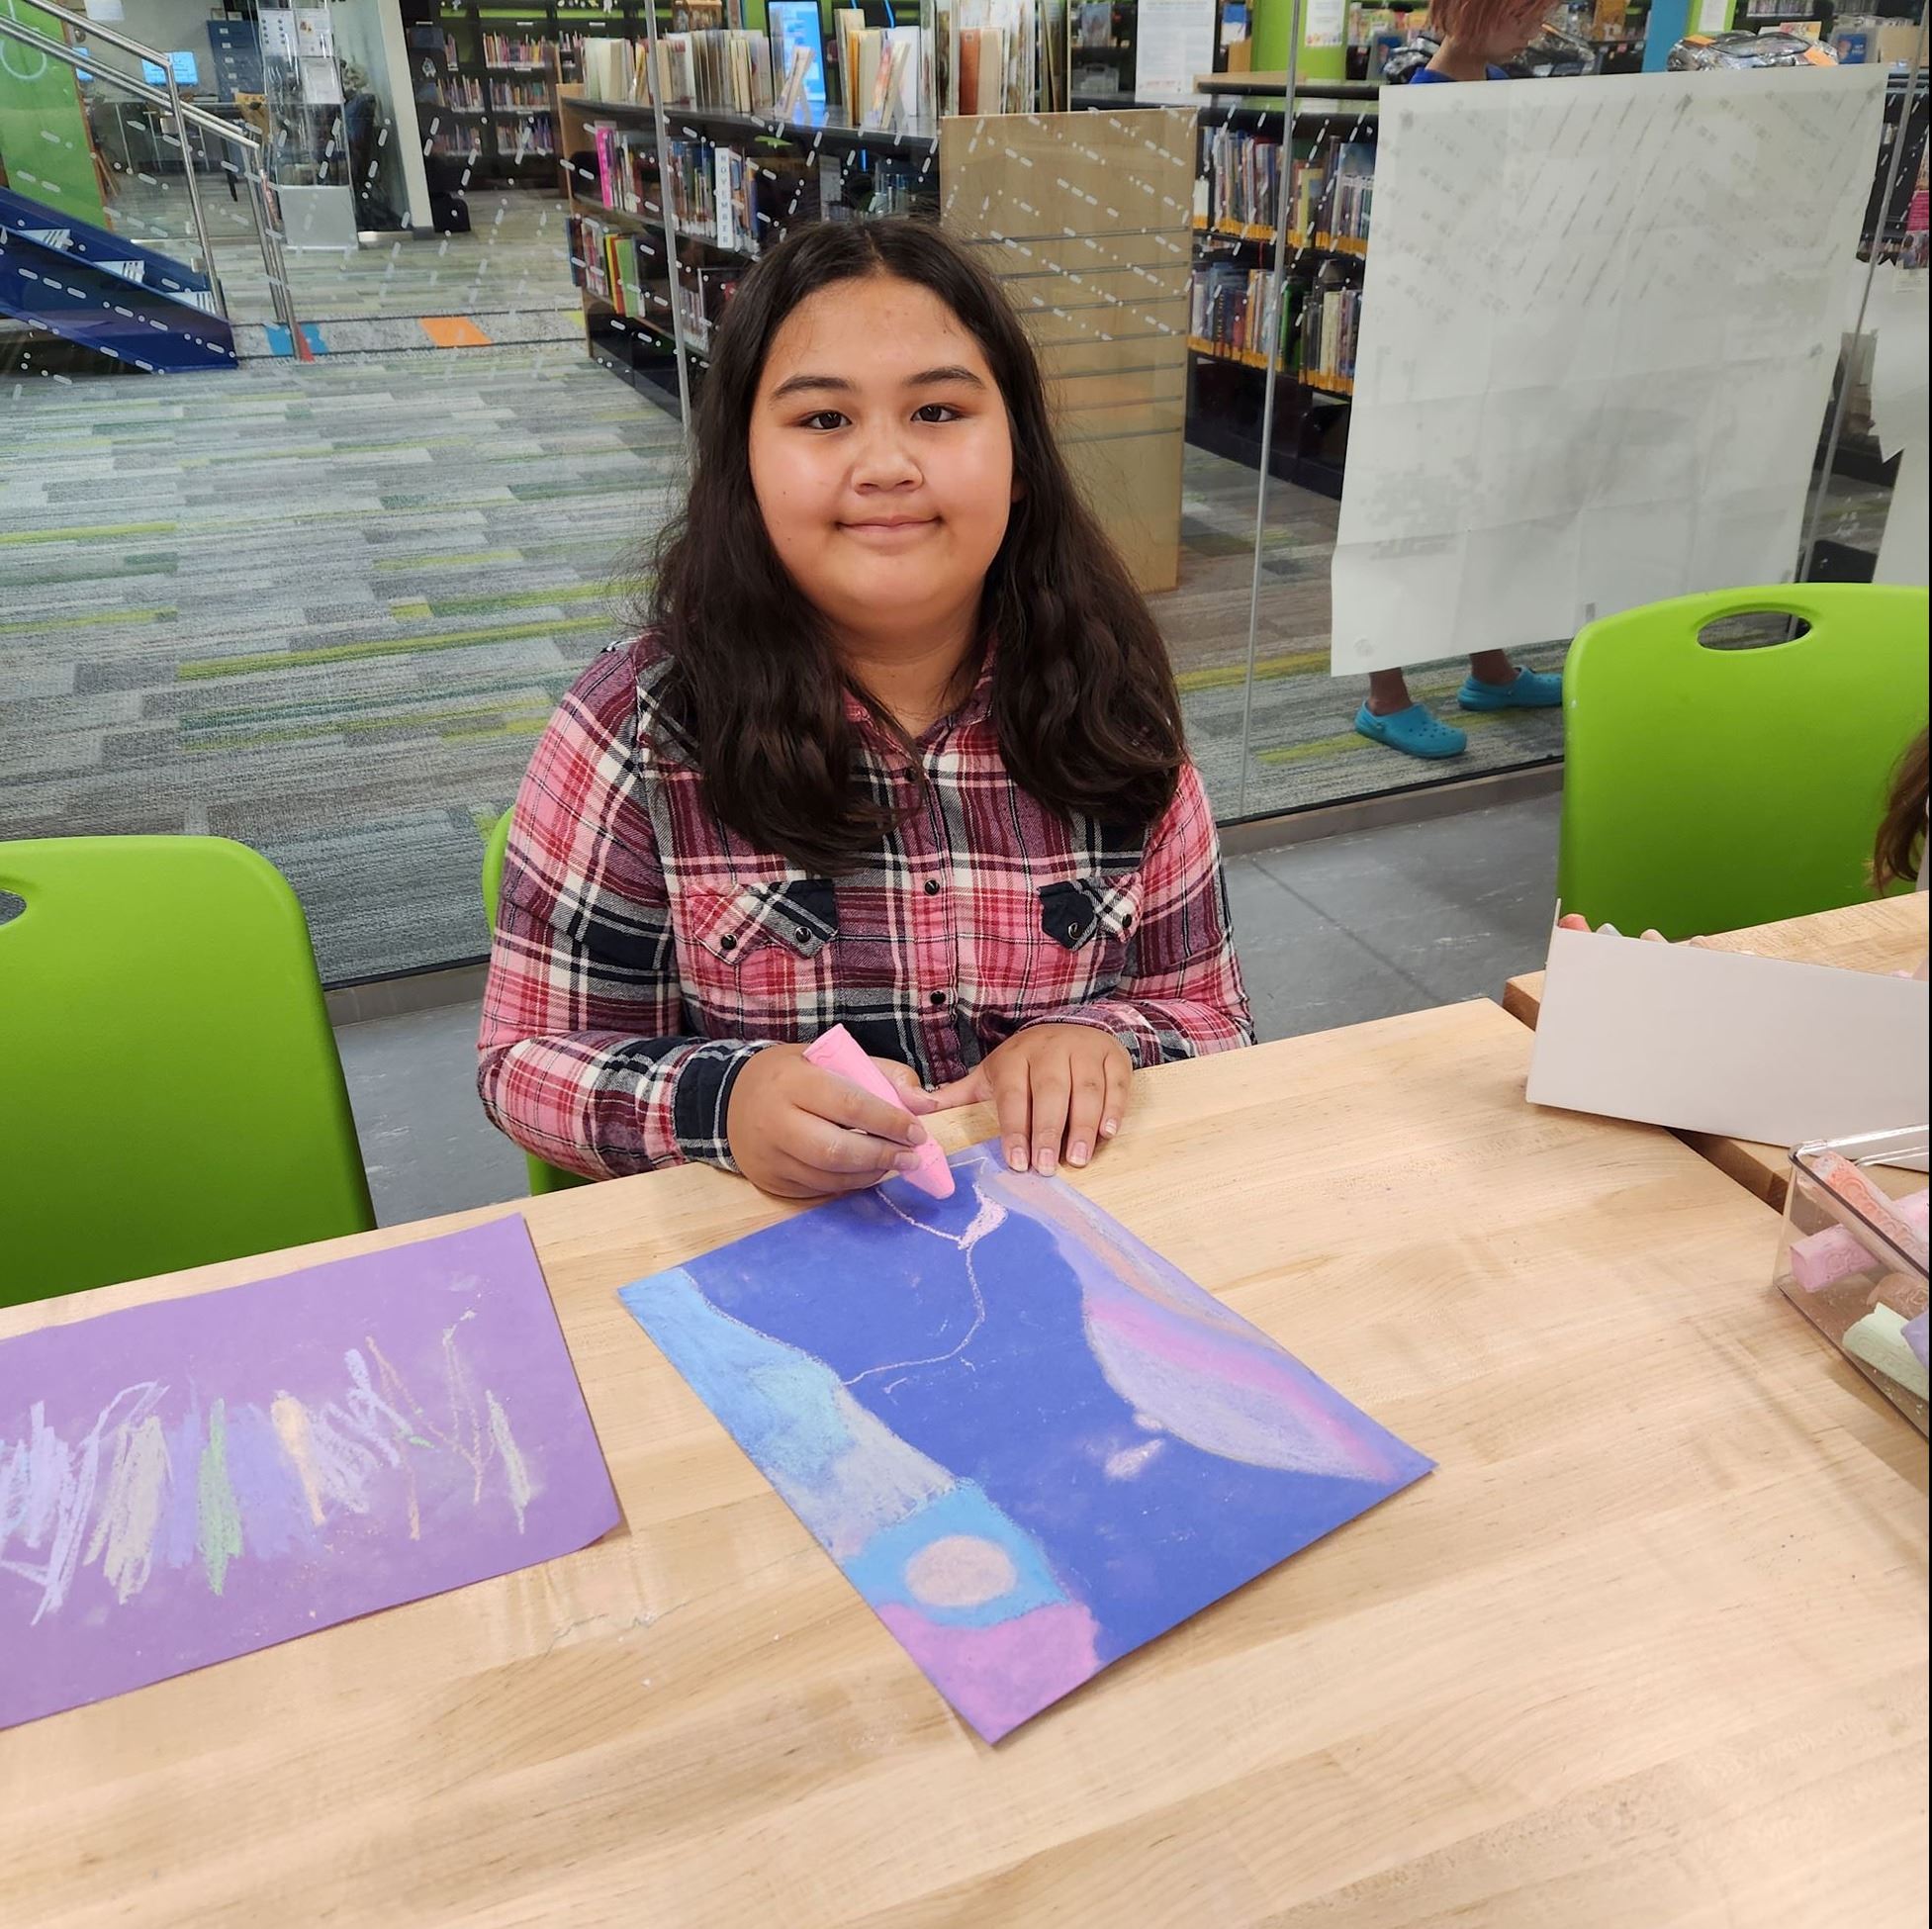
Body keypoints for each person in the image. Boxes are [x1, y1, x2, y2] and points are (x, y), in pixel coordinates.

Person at [479, 221, 1253, 1199]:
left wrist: (1102, 1042)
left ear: (1019, 458)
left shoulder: (1111, 705)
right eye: (822, 420)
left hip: (1058, 1235)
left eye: (937, 411)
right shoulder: (637, 728)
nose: (886, 465)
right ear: (744, 465)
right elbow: (524, 1058)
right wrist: (726, 1102)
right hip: (770, 1256)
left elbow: (1213, 1016)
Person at [1355, 0, 1565, 762]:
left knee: (1486, 505)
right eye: (1523, 15)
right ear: (1475, 11)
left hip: (1489, 333)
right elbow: (1425, 239)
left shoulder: (1497, 87)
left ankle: (1490, 669)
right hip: (1430, 342)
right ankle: (1384, 696)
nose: (1535, 31)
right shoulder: (1425, 104)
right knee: (1407, 515)